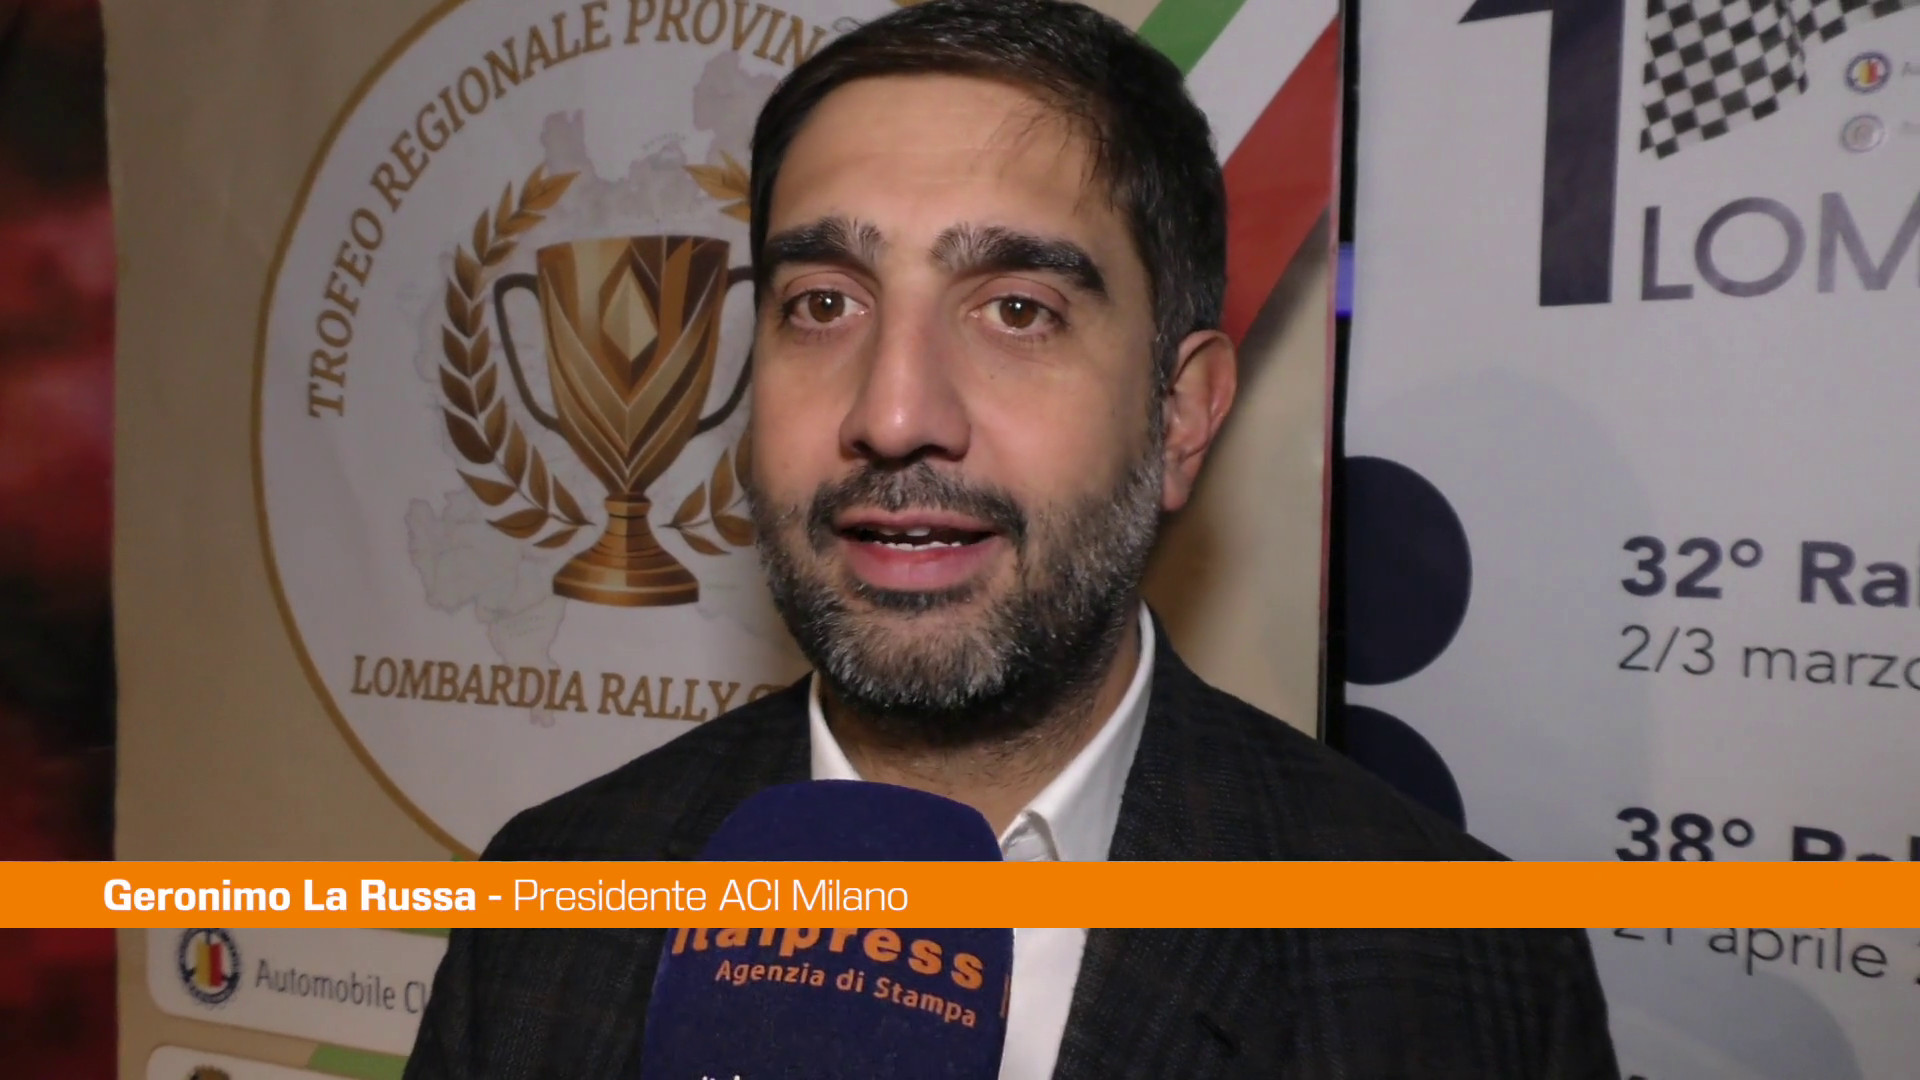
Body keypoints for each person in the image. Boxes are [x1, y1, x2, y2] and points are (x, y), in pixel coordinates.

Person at [403, 1, 1620, 1076]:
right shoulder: (552, 902)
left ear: (1181, 413)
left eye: (1018, 310)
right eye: (823, 304)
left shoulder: (1466, 968)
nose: (894, 415)